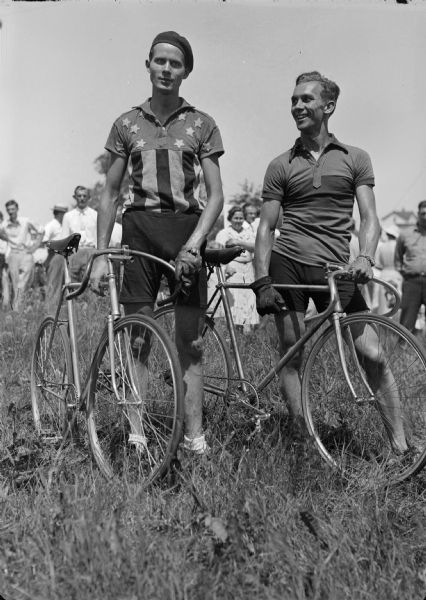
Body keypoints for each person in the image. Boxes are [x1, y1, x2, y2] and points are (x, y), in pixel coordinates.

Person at [253, 71, 408, 454]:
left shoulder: (355, 157)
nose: (297, 106)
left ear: (328, 107)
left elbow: (370, 217)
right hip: (288, 265)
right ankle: (304, 438)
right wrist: (261, 279)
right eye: (294, 100)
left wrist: (366, 256)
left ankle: (402, 445)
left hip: (337, 270)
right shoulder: (280, 164)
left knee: (371, 353)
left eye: (306, 99)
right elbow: (266, 227)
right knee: (292, 354)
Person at [91, 31, 225, 455]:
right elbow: (110, 194)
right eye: (160, 61)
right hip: (139, 232)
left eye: (176, 63)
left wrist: (196, 243)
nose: (167, 69)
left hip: (186, 232)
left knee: (192, 341)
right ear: (147, 65)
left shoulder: (202, 123)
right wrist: (99, 255)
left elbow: (216, 195)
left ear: (186, 71)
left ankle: (194, 437)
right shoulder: (126, 124)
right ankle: (136, 434)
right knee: (137, 338)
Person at [215, 205, 258, 332]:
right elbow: (219, 251)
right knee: (234, 301)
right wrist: (227, 266)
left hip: (248, 268)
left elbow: (255, 247)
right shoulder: (224, 233)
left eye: (241, 218)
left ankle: (247, 334)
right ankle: (233, 333)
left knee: (249, 300)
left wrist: (238, 242)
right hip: (232, 267)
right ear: (230, 218)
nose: (238, 220)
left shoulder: (248, 232)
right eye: (236, 218)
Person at [0, 200, 41, 311]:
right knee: (15, 284)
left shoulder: (26, 221)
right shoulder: (4, 224)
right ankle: (18, 310)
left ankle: (17, 309)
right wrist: (6, 238)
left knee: (23, 284)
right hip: (13, 255)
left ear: (17, 209)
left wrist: (34, 247)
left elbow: (41, 231)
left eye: (13, 209)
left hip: (26, 254)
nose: (11, 212)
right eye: (8, 210)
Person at [395, 201, 426, 332]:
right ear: (418, 214)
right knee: (407, 317)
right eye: (423, 213)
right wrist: (406, 274)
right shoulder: (405, 234)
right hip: (412, 282)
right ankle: (402, 349)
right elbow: (398, 258)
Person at [61, 186, 97, 281]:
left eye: (84, 196)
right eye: (79, 196)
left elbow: (98, 236)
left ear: (89, 197)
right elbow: (64, 238)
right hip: (74, 252)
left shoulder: (95, 215)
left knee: (92, 281)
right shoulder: (68, 216)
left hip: (91, 252)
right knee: (73, 283)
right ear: (75, 197)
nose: (82, 198)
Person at [43, 204, 68, 312]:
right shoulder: (51, 225)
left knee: (65, 283)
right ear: (59, 213)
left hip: (65, 256)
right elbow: (45, 240)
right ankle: (50, 310)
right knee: (54, 284)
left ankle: (60, 310)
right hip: (55, 256)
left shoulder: (63, 225)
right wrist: (57, 245)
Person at [375, 224, 402, 316]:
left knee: (384, 306)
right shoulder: (399, 247)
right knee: (397, 303)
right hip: (397, 275)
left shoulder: (381, 247)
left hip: (384, 275)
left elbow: (378, 264)